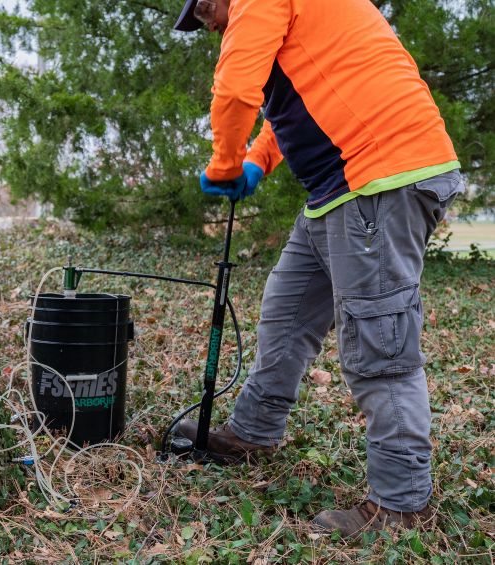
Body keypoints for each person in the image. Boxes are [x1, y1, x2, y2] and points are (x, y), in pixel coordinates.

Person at [171, 0, 465, 537]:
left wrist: (224, 165)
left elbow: (237, 89)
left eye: (205, 9)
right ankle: (252, 432)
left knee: (381, 345)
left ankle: (400, 504)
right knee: (285, 313)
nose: (208, 25)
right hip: (341, 187)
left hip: (380, 176)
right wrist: (256, 162)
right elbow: (306, 100)